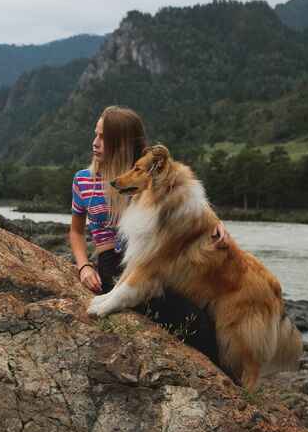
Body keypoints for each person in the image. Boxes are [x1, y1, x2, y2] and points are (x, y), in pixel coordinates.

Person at [69, 105, 227, 365]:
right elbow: (76, 231)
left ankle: (227, 384)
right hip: (115, 268)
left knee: (201, 325)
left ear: (121, 143)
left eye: (103, 138)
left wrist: (214, 221)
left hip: (152, 265)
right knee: (189, 324)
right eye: (95, 135)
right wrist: (84, 266)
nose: (94, 143)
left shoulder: (143, 173)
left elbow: (179, 196)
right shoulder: (83, 179)